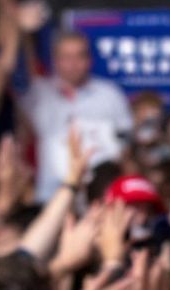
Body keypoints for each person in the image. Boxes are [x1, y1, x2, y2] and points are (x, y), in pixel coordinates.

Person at [21, 30, 134, 202]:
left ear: (89, 59)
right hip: (52, 195)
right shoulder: (39, 93)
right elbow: (13, 65)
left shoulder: (109, 94)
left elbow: (126, 143)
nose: (73, 64)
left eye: (79, 56)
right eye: (66, 57)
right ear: (55, 60)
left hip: (101, 196)